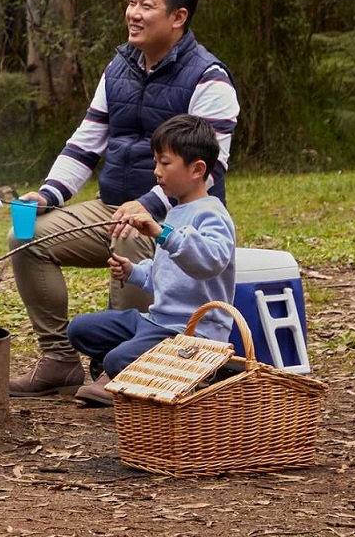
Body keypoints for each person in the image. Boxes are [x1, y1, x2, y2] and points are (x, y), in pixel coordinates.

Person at [8, 0, 239, 396]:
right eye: (131, 2)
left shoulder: (210, 79)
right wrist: (47, 195)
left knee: (131, 236)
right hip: (108, 205)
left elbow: (211, 165)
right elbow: (85, 142)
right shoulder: (118, 67)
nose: (133, 13)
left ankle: (127, 373)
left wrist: (148, 209)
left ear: (178, 17)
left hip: (173, 218)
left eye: (146, 6)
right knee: (26, 236)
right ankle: (59, 361)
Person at [66, 114, 237, 406]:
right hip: (156, 321)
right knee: (80, 329)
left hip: (190, 334)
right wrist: (133, 272)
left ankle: (147, 376)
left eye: (165, 163)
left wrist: (161, 234)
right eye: (156, 162)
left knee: (116, 359)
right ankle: (140, 368)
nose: (156, 172)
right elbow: (167, 276)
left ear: (197, 169)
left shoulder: (211, 213)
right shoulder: (176, 210)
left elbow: (210, 261)